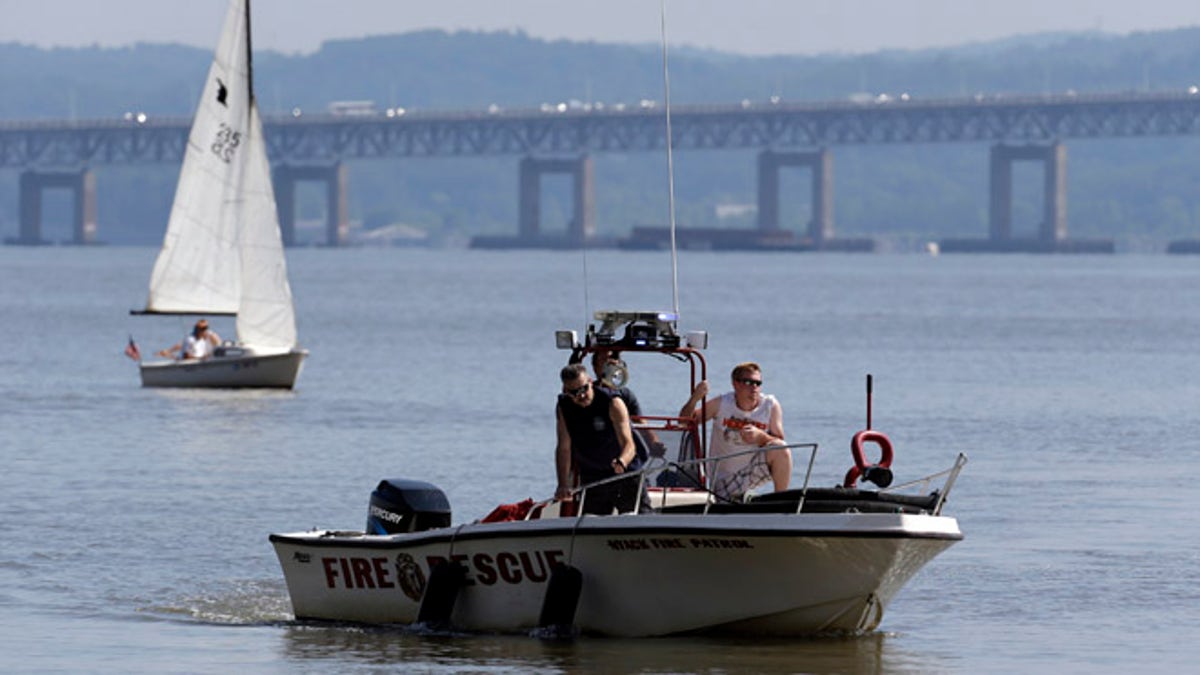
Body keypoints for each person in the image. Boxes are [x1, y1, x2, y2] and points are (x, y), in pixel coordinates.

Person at [679, 361, 792, 501]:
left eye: (758, 383)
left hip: (753, 471)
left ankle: (781, 502)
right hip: (724, 478)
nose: (754, 388)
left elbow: (779, 441)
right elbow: (684, 422)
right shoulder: (722, 403)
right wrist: (695, 398)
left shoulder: (769, 405)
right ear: (735, 384)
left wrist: (760, 437)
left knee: (781, 449)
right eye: (749, 382)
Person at [555, 362, 646, 515]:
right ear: (566, 391)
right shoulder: (564, 407)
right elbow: (564, 448)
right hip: (593, 475)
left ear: (590, 382)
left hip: (625, 473)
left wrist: (622, 461)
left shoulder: (612, 402)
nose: (581, 395)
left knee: (639, 517)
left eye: (584, 388)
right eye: (574, 392)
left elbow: (629, 445)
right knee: (591, 521)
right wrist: (563, 484)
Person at [591, 349, 667, 460]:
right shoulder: (589, 393)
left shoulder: (625, 395)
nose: (609, 363)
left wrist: (654, 442)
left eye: (613, 359)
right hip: (597, 451)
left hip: (623, 453)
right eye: (603, 360)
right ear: (595, 367)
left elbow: (642, 423)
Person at [157, 319, 221, 360]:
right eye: (202, 329)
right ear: (197, 329)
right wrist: (201, 358)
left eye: (206, 328)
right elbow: (186, 356)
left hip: (200, 361)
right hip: (188, 364)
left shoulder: (207, 335)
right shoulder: (190, 339)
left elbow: (219, 344)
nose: (204, 330)